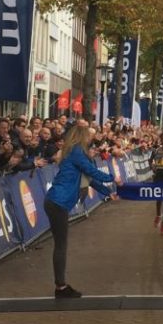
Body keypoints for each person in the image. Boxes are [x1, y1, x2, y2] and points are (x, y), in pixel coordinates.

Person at [45, 125, 119, 298]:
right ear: (81, 136)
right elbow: (91, 171)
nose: (91, 139)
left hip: (56, 201)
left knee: (61, 244)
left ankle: (60, 285)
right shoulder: (77, 151)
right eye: (88, 136)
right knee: (61, 245)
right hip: (58, 202)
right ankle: (60, 287)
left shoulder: (72, 152)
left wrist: (109, 192)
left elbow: (90, 179)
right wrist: (112, 178)